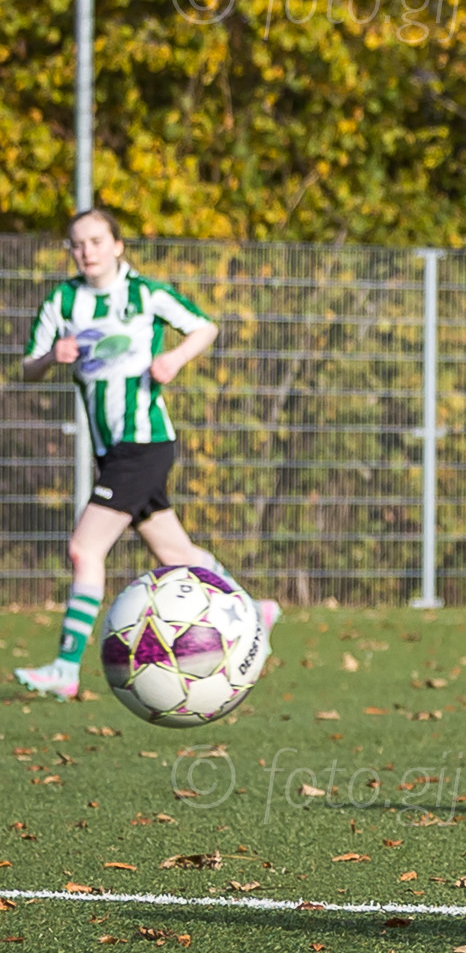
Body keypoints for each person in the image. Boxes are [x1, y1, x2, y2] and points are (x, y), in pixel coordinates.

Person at [16, 210, 279, 698]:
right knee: (176, 553)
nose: (87, 251)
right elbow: (27, 368)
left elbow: (204, 327)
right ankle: (252, 608)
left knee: (84, 549)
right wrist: (52, 357)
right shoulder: (63, 300)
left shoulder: (145, 294)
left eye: (97, 241)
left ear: (117, 245)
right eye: (78, 244)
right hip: (112, 450)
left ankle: (66, 668)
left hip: (145, 443)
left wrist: (174, 359)